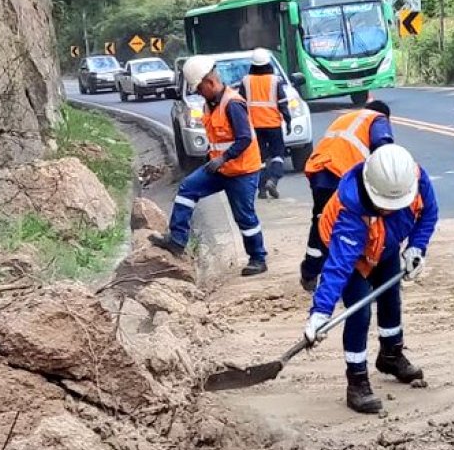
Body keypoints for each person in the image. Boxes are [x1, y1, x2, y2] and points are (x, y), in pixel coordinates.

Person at [302, 144, 438, 414]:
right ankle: (356, 381)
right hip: (351, 255)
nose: (391, 210)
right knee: (360, 309)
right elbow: (338, 268)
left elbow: (429, 213)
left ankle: (390, 355)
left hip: (386, 244)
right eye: (385, 207)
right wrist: (320, 312)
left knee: (390, 297)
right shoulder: (349, 212)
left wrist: (416, 248)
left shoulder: (413, 178)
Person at [148, 56, 268, 277]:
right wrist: (212, 158)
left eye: (199, 89)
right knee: (187, 189)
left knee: (244, 216)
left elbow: (244, 139)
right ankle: (177, 240)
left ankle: (258, 258)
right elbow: (216, 139)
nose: (198, 93)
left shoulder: (233, 104)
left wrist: (222, 159)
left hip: (242, 171)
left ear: (210, 82)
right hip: (220, 169)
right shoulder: (209, 104)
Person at [299, 100, 395, 292]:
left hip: (320, 173)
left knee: (321, 222)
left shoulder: (346, 118)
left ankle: (309, 273)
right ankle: (360, 278)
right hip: (342, 176)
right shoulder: (377, 119)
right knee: (355, 225)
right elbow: (383, 148)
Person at [238, 48, 293, 200]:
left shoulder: (245, 81)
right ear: (268, 63)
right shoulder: (275, 81)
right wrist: (288, 121)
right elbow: (283, 103)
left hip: (254, 126)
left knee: (260, 158)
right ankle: (273, 180)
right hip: (273, 124)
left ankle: (261, 189)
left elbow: (240, 104)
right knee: (278, 155)